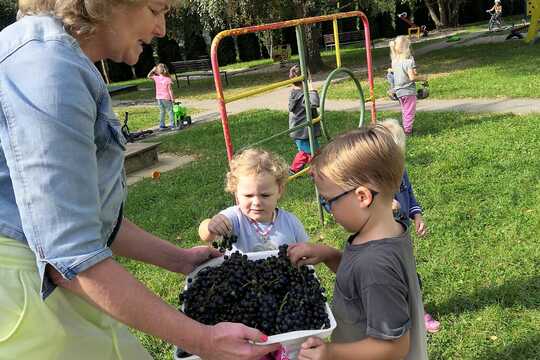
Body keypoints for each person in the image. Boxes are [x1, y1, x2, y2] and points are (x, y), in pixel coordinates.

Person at [0, 2, 281, 359]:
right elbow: (67, 255)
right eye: (154, 9)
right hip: (29, 298)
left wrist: (179, 260)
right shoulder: (47, 70)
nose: (162, 29)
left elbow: (90, 220)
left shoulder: (53, 57)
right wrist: (204, 340)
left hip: (45, 285)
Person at [288, 125, 428, 360]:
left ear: (362, 196)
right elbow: (359, 283)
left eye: (328, 201)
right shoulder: (390, 232)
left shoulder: (375, 265)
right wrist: (330, 255)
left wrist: (330, 352)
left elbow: (394, 347)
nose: (329, 210)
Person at [382, 119, 441, 334]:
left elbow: (410, 195)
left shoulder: (401, 171)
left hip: (403, 234)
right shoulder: (374, 178)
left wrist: (417, 216)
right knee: (390, 279)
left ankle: (418, 312)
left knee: (411, 276)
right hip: (383, 240)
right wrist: (385, 203)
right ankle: (393, 316)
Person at [199, 148, 309, 252]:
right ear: (236, 193)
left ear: (279, 191)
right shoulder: (234, 218)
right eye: (248, 196)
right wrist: (210, 225)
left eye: (265, 195)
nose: (256, 203)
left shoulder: (291, 223)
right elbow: (206, 235)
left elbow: (306, 253)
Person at [389, 35, 428, 135]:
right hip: (408, 92)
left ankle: (406, 128)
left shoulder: (395, 62)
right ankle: (407, 131)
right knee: (410, 112)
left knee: (405, 111)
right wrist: (422, 78)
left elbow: (396, 74)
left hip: (399, 92)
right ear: (406, 49)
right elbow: (412, 77)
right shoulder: (408, 62)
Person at [287, 65, 321, 175]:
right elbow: (315, 103)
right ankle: (317, 172)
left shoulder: (294, 93)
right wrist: (312, 88)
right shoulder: (303, 95)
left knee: (305, 152)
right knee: (313, 153)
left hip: (300, 131)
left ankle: (293, 170)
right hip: (303, 132)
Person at [147, 63, 176, 130]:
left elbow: (148, 76)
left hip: (159, 98)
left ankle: (161, 126)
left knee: (162, 111)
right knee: (170, 111)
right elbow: (170, 90)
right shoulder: (168, 79)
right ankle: (172, 125)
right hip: (166, 98)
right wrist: (173, 98)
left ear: (157, 71)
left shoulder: (156, 78)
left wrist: (152, 70)